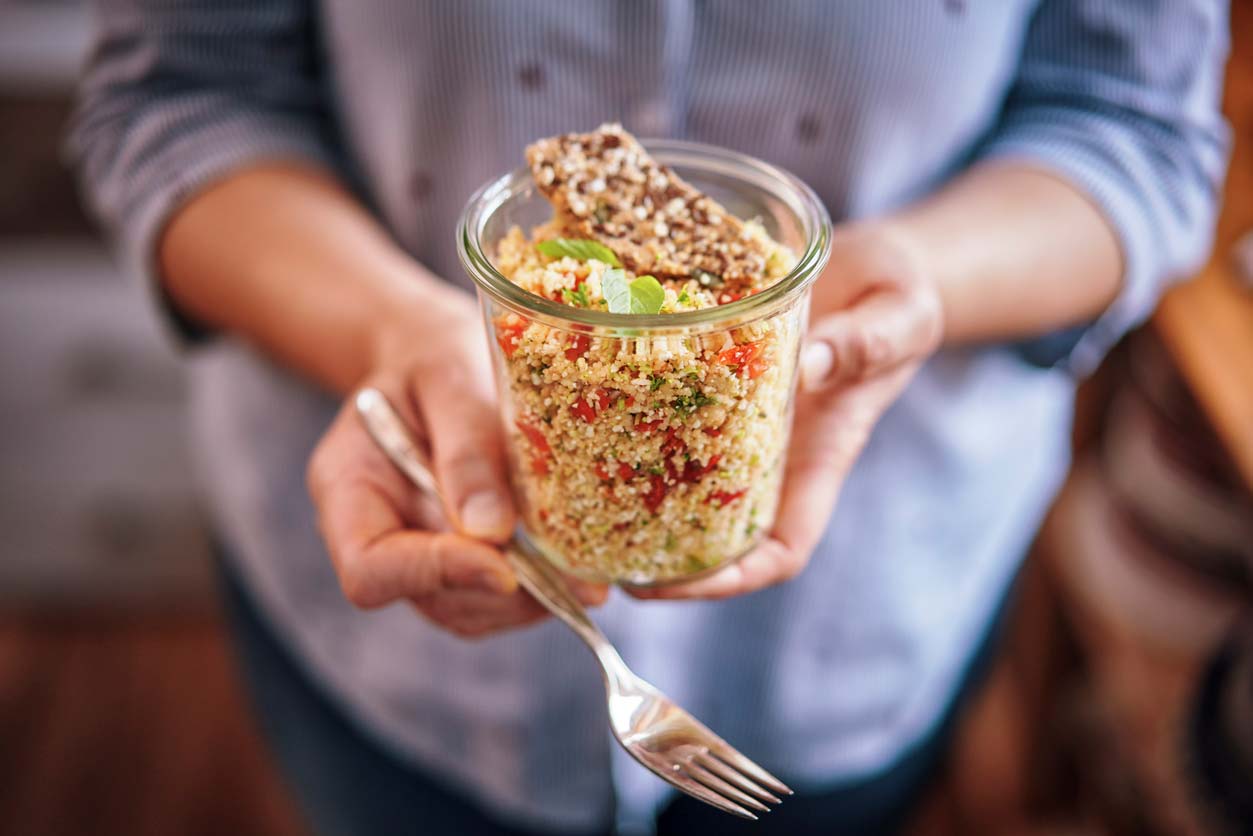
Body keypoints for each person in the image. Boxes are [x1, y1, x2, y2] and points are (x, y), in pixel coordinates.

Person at [69, 3, 1229, 834]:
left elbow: (1134, 128)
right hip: (392, 642)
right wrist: (383, 326)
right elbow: (177, 93)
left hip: (862, 622)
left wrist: (914, 281)